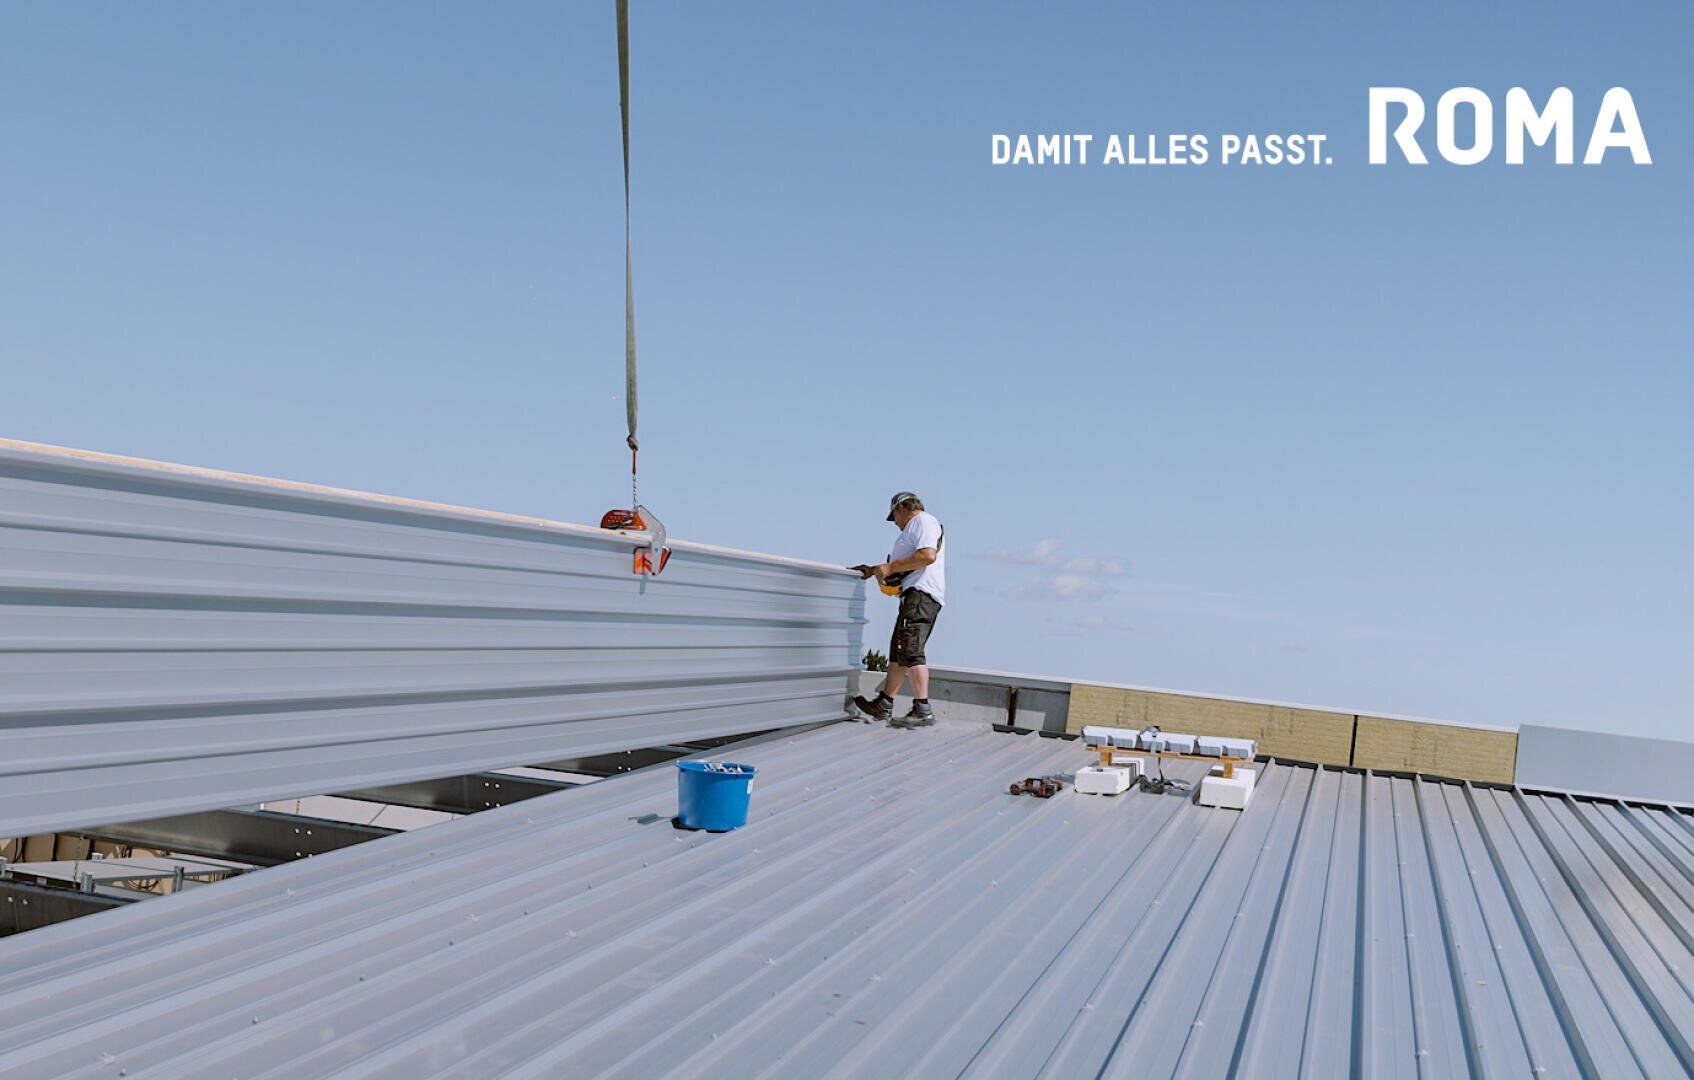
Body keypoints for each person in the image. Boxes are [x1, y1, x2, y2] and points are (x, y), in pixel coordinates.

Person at [852, 491, 946, 727]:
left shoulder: (922, 521)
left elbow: (927, 556)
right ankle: (884, 703)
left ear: (900, 509)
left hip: (921, 596)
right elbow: (905, 564)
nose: (895, 523)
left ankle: (922, 709)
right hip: (914, 596)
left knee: (911, 651)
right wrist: (873, 570)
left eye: (893, 517)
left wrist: (890, 566)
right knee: (899, 652)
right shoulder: (917, 526)